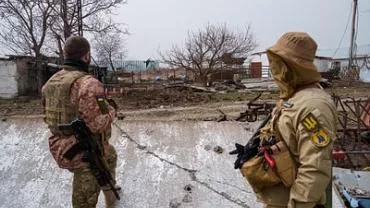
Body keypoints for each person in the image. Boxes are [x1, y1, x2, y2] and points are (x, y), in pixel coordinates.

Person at [238, 32, 338, 208]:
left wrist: (298, 204)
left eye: (277, 64)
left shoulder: (313, 106)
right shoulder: (293, 99)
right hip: (279, 198)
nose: (274, 70)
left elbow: (315, 167)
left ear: (291, 66)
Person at [42, 36, 120, 208]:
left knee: (111, 155)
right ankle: (108, 199)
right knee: (84, 200)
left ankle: (111, 192)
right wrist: (112, 113)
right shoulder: (89, 84)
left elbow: (47, 118)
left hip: (60, 146)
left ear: (65, 54)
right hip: (85, 152)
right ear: (86, 56)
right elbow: (97, 124)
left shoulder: (50, 83)